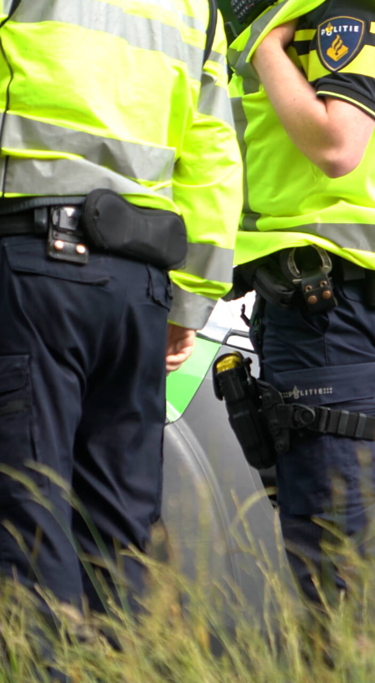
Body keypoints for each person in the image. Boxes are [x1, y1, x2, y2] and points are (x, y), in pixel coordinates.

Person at [0, 1, 242, 615]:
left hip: (33, 268)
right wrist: (189, 302)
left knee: (27, 512)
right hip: (139, 291)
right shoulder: (197, 9)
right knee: (119, 536)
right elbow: (214, 159)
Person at [227, 0, 375, 609]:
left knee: (336, 568)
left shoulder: (344, 7)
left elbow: (337, 144)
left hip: (329, 307)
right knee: (348, 562)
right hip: (331, 304)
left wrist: (268, 50)